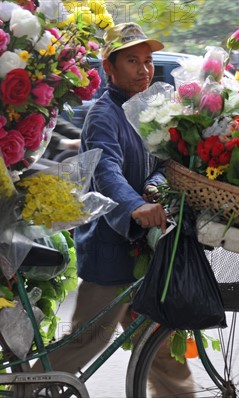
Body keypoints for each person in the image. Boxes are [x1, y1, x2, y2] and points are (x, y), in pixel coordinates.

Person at [30, 23, 195, 396]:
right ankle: (27, 391)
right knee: (87, 341)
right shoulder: (103, 115)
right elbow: (106, 170)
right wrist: (135, 206)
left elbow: (157, 164)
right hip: (110, 247)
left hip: (144, 248)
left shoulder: (146, 111)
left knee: (162, 346)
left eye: (149, 61)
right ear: (110, 68)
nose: (144, 69)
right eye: (132, 60)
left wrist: (155, 187)